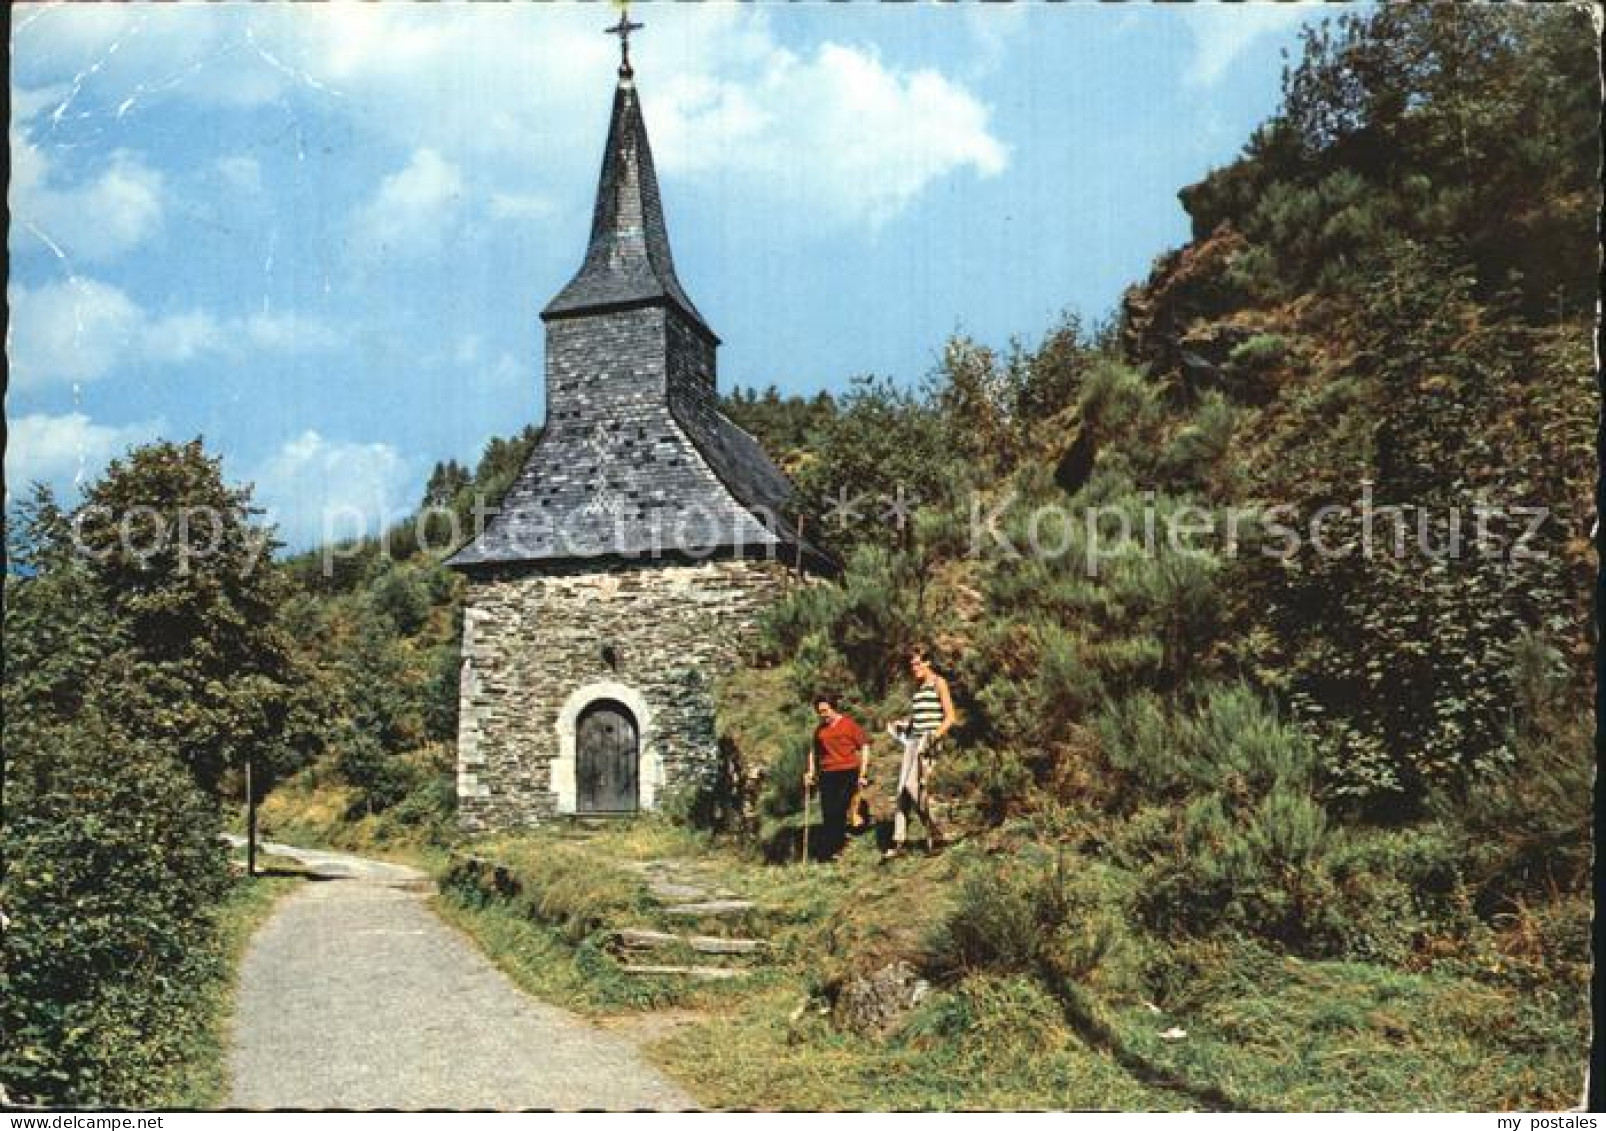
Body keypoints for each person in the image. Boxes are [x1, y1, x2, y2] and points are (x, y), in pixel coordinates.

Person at [884, 645, 956, 860]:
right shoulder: (918, 688)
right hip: (913, 741)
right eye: (911, 664)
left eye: (917, 663)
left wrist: (935, 737)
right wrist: (904, 725)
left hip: (928, 741)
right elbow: (920, 718)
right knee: (902, 793)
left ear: (928, 663)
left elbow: (950, 717)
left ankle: (938, 834)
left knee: (914, 788)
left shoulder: (938, 683)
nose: (914, 668)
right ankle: (899, 842)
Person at [804, 694, 870, 863]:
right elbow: (814, 751)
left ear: (833, 708)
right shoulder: (820, 730)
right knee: (828, 812)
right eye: (819, 712)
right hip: (827, 774)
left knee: (838, 809)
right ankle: (832, 848)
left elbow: (864, 746)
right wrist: (810, 772)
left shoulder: (848, 725)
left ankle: (837, 847)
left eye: (825, 710)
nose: (823, 714)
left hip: (847, 771)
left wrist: (862, 773)